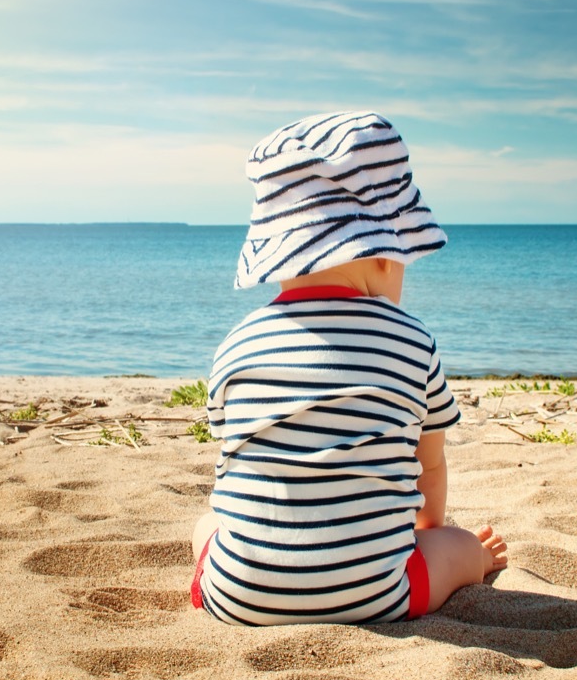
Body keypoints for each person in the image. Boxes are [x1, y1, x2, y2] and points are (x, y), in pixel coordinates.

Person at [191, 111, 507, 626]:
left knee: (205, 524)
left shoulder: (236, 344)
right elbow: (428, 466)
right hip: (378, 595)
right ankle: (476, 558)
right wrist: (430, 535)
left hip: (239, 598)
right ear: (383, 255)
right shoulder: (411, 339)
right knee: (460, 547)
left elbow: (233, 461)